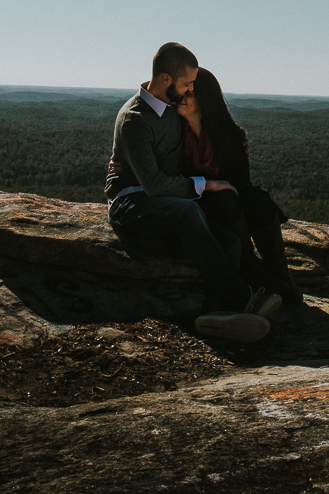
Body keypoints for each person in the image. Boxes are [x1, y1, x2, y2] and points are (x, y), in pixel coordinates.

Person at [105, 43, 280, 342]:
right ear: (165, 80)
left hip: (166, 203)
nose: (189, 91)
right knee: (189, 211)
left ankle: (217, 314)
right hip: (130, 203)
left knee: (228, 242)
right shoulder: (135, 119)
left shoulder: (173, 108)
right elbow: (154, 185)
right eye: (186, 84)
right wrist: (208, 185)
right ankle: (243, 300)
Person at [174, 68, 302, 306]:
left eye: (189, 92)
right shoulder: (172, 131)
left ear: (205, 97)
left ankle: (279, 273)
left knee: (259, 202)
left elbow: (241, 182)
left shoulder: (231, 136)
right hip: (193, 201)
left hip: (227, 200)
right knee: (225, 201)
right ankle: (251, 270)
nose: (181, 97)